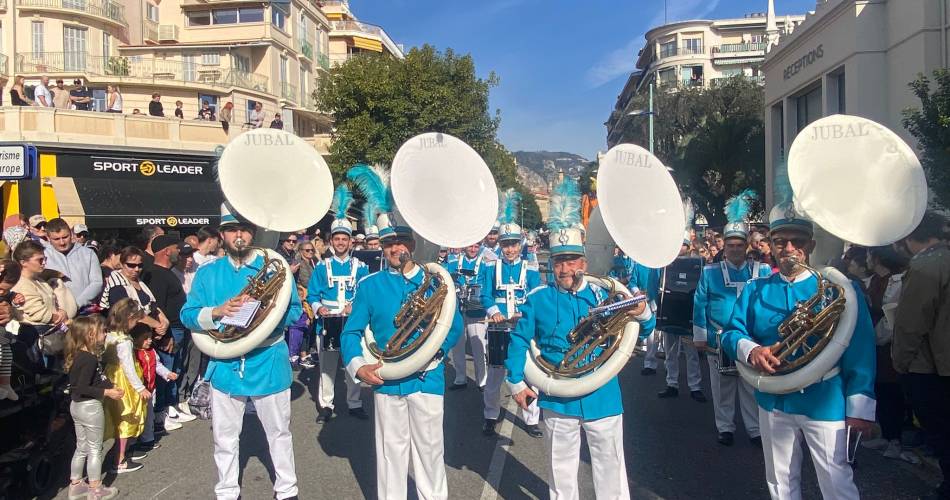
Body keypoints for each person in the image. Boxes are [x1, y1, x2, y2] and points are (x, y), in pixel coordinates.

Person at [505, 179, 655, 499]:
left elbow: (646, 329)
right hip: (558, 398)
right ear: (551, 263)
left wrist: (642, 312)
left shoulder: (607, 294)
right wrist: (517, 383)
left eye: (572, 260)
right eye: (560, 261)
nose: (566, 268)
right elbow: (518, 340)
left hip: (603, 394)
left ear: (584, 263)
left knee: (611, 472)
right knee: (561, 476)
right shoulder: (537, 298)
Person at [721, 202, 875, 500]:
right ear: (772, 246)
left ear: (811, 245)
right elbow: (731, 333)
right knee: (780, 482)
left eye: (797, 242)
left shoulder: (838, 290)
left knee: (836, 480)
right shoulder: (755, 288)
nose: (788, 248)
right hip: (774, 400)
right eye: (780, 242)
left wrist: (860, 409)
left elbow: (861, 350)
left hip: (824, 398)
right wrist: (752, 351)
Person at [341, 164, 462, 500]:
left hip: (428, 379)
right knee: (390, 454)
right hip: (387, 378)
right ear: (382, 247)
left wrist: (432, 353)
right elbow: (350, 334)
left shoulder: (434, 280)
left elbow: (454, 325)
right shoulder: (369, 286)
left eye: (401, 241)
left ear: (412, 242)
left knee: (430, 452)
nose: (396, 249)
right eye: (388, 243)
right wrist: (357, 367)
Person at [180, 204, 303, 500]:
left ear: (254, 233)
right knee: (224, 437)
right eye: (233, 229)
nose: (239, 235)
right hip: (226, 363)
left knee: (279, 433)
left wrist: (266, 316)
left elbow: (296, 311)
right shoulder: (208, 273)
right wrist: (219, 311)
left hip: (268, 360)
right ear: (222, 235)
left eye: (245, 229)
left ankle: (287, 490)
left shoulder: (273, 268)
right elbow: (187, 314)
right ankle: (226, 491)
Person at [693, 192, 771, 447]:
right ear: (725, 247)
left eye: (740, 245)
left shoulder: (762, 271)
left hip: (751, 340)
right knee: (722, 386)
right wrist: (700, 336)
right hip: (719, 338)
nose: (735, 249)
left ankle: (755, 429)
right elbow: (700, 303)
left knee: (751, 387)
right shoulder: (710, 272)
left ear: (746, 247)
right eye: (731, 245)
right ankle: (725, 427)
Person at [893, 211, 950, 499]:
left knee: (941, 430)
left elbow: (911, 324)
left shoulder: (926, 265)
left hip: (931, 368)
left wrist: (900, 362)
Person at [480, 190, 543, 438]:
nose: (510, 249)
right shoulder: (489, 267)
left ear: (520, 245)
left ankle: (531, 419)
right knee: (495, 374)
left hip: (522, 329)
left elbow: (537, 298)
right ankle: (490, 416)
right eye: (506, 244)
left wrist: (523, 314)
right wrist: (494, 311)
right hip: (498, 328)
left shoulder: (531, 269)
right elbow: (485, 294)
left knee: (529, 374)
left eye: (514, 244)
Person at [308, 188, 369, 422]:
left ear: (350, 241)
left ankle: (354, 402)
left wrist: (355, 308)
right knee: (327, 366)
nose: (341, 242)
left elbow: (365, 295)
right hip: (328, 321)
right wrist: (318, 308)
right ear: (331, 241)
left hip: (352, 321)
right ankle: (326, 405)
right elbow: (312, 295)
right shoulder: (322, 267)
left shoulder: (361, 267)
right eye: (337, 238)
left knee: (354, 361)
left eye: (345, 238)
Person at [860, 246, 916, 463]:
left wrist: (875, 337)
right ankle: (885, 434)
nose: (866, 258)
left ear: (877, 257)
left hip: (886, 343)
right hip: (873, 343)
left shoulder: (897, 281)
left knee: (892, 390)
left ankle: (896, 439)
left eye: (869, 254)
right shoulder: (872, 280)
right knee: (880, 389)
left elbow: (891, 316)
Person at [64, 315, 124, 500]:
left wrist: (109, 385)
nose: (105, 334)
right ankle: (95, 489)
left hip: (76, 406)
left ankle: (75, 485)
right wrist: (107, 393)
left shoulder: (78, 356)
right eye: (102, 331)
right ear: (90, 335)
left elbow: (93, 380)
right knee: (95, 449)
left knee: (81, 446)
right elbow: (82, 387)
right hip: (89, 407)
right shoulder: (88, 359)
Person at [144, 235, 196, 429]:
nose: (178, 252)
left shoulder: (168, 272)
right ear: (167, 251)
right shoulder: (156, 274)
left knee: (176, 369)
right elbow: (158, 307)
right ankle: (161, 412)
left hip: (179, 328)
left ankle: (171, 406)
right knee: (165, 371)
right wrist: (164, 336)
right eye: (175, 248)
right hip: (170, 330)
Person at [102, 299, 149, 474]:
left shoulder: (109, 335)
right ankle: (120, 459)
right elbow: (128, 367)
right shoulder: (124, 341)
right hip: (124, 381)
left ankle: (120, 453)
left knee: (117, 416)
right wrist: (139, 388)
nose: (136, 324)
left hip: (111, 375)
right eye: (135, 320)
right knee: (127, 416)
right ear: (128, 318)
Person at [658, 238, 707, 402]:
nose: (680, 248)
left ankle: (695, 386)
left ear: (688, 246)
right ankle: (671, 384)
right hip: (670, 311)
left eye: (683, 245)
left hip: (688, 313)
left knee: (691, 353)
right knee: (670, 352)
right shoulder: (665, 264)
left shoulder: (698, 264)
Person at [99, 247, 170, 344]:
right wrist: (158, 326)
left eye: (140, 265)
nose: (136, 269)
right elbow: (131, 314)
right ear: (122, 264)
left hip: (148, 338)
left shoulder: (140, 282)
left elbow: (152, 304)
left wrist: (164, 321)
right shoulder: (117, 286)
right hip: (128, 339)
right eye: (131, 265)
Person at [446, 243, 489, 393]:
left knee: (479, 346)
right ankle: (460, 378)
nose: (473, 250)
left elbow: (488, 285)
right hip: (458, 308)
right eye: (470, 246)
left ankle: (482, 380)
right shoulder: (452, 262)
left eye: (476, 247)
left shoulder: (484, 264)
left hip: (476, 309)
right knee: (457, 346)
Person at [43, 218, 103, 309]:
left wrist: (76, 304)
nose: (62, 242)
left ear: (71, 234)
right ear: (48, 238)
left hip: (85, 311)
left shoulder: (88, 253)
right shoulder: (42, 255)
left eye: (65, 237)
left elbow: (97, 282)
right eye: (56, 239)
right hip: (56, 312)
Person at [12, 241, 68, 327]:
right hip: (37, 334)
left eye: (45, 259)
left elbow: (52, 305)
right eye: (40, 260)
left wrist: (62, 312)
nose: (44, 263)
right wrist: (60, 319)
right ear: (23, 262)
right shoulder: (22, 284)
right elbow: (38, 314)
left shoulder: (39, 280)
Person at [0, 261, 25, 401]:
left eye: (5, 290)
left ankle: (5, 384)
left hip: (4, 335)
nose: (1, 292)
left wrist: (17, 301)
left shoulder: (7, 294)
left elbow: (14, 300)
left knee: (7, 356)